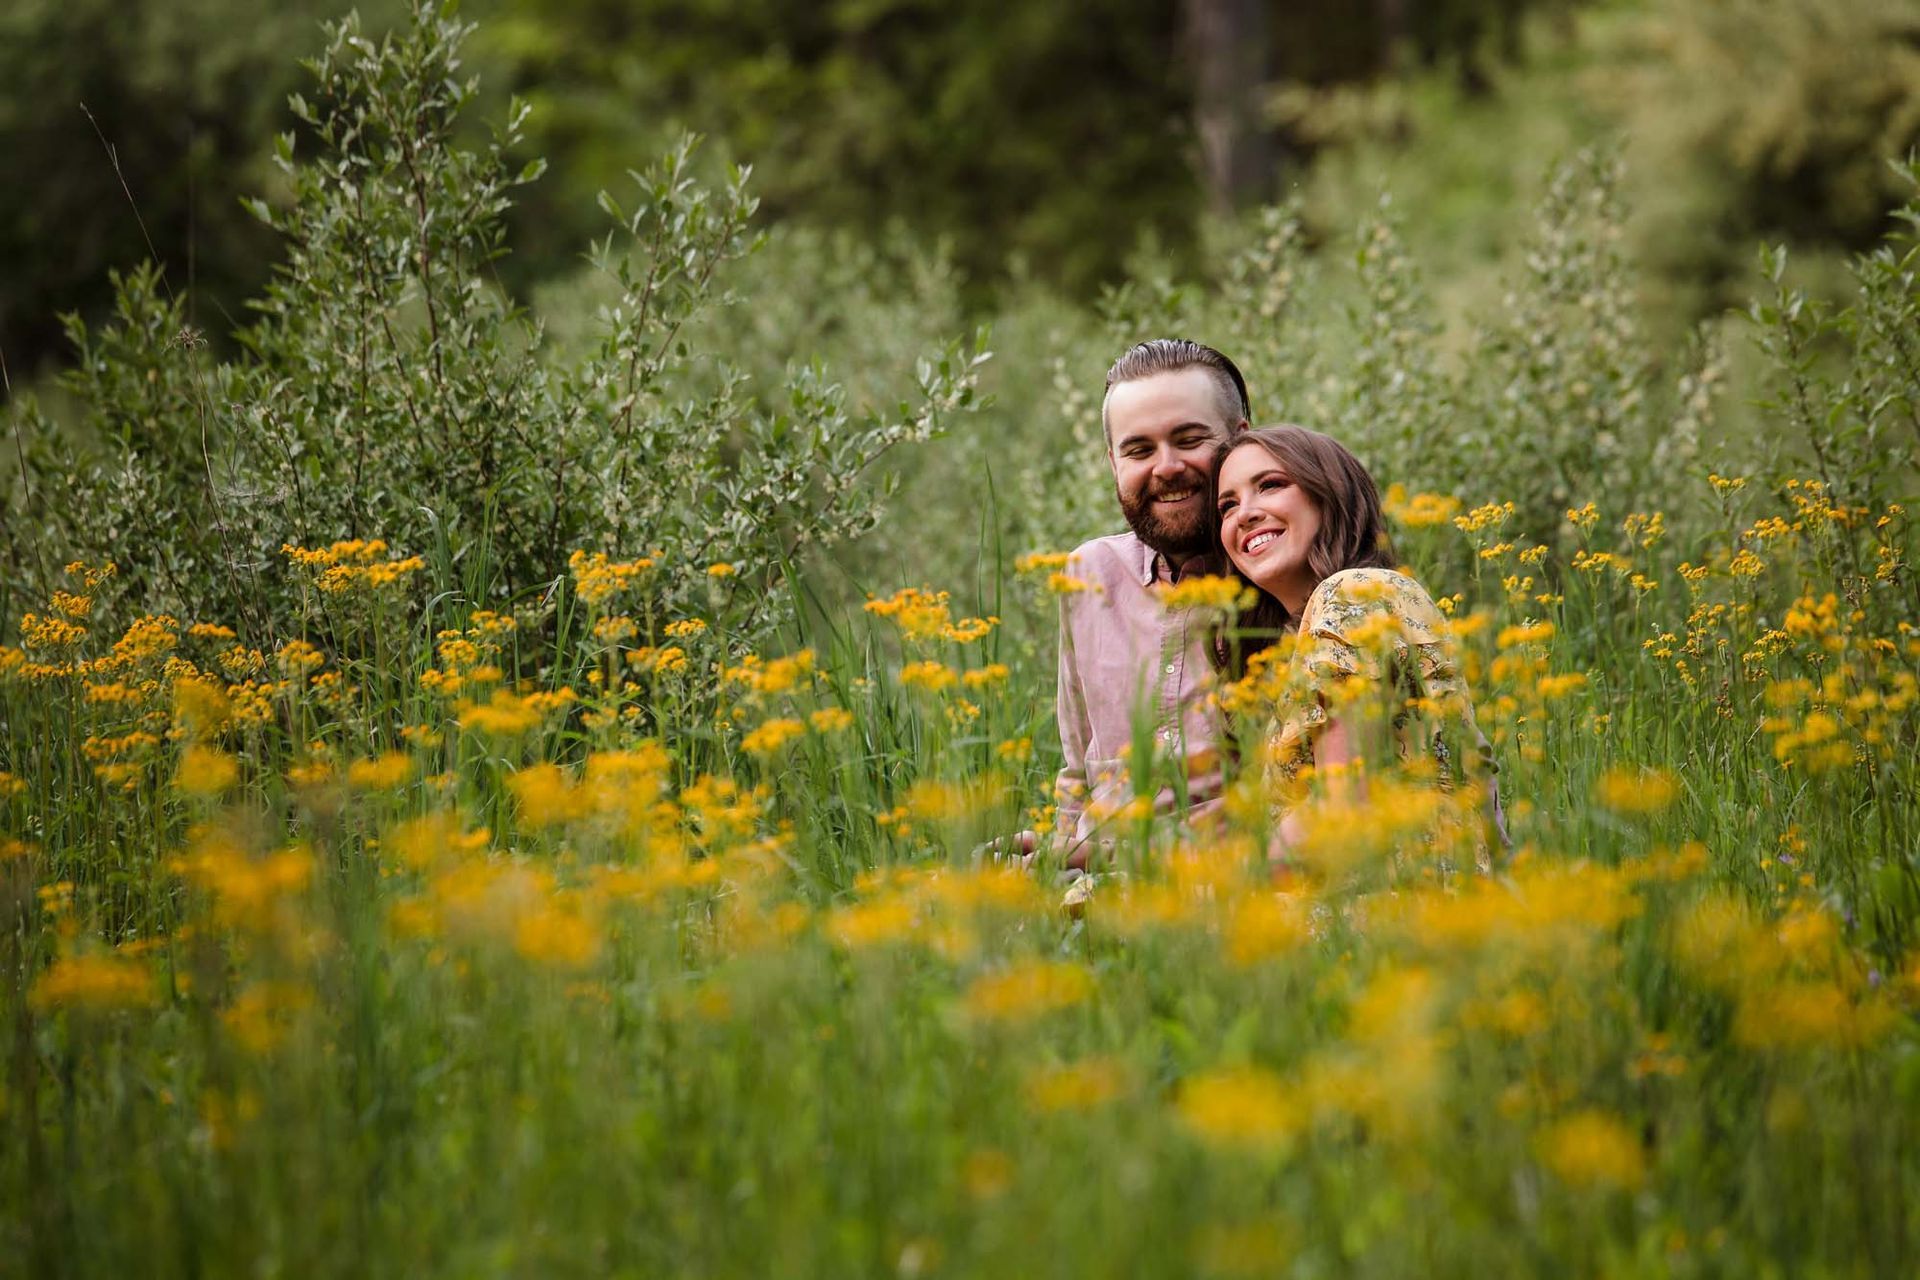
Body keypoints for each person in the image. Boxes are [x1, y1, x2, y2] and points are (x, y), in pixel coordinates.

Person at [1007, 338, 1251, 869]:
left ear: (1240, 442)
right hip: (1090, 875)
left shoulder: (1285, 576)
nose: (1167, 467)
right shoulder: (1088, 575)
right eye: (1139, 450)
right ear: (1112, 461)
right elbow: (1078, 771)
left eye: (1190, 439)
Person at [1210, 424, 1504, 861]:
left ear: (1329, 494)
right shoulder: (1300, 644)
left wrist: (1219, 885)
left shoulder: (1353, 594)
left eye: (1270, 486)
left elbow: (1342, 807)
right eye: (1227, 506)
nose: (1244, 514)